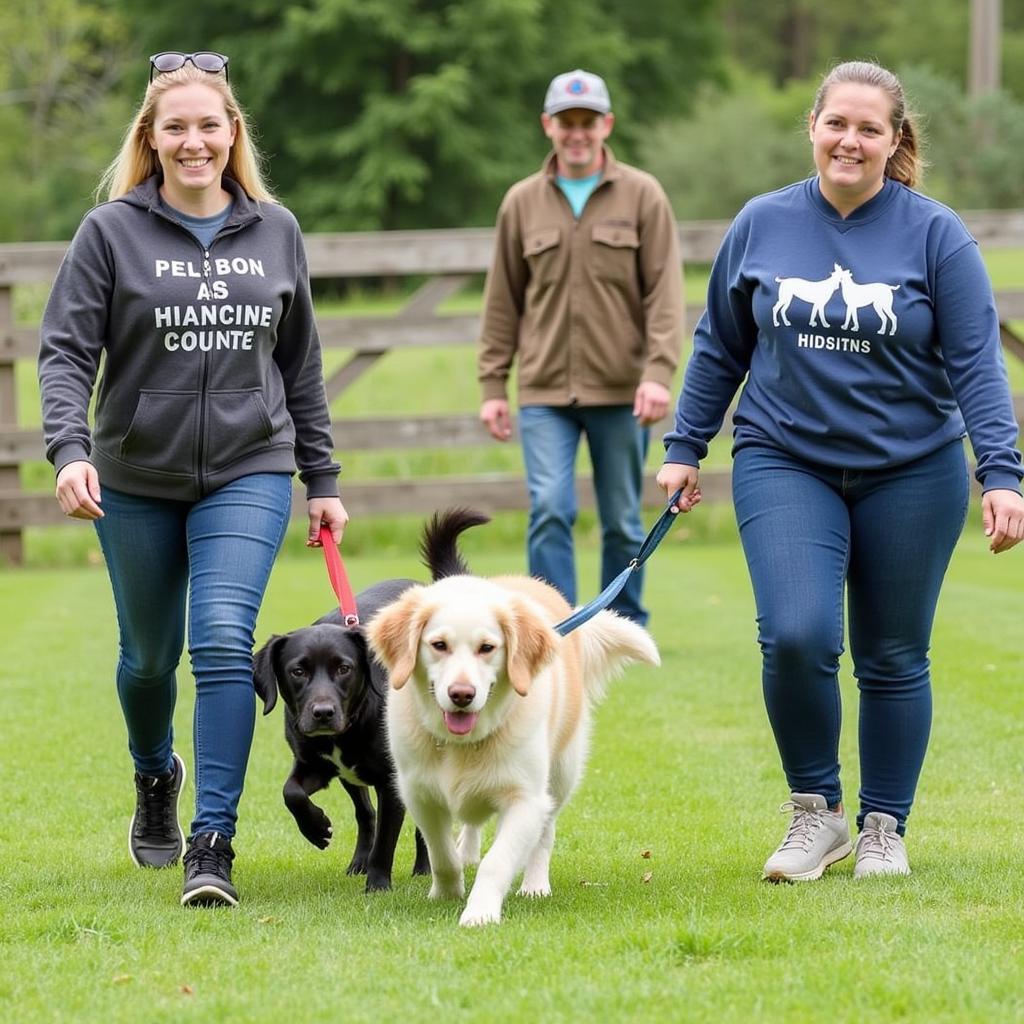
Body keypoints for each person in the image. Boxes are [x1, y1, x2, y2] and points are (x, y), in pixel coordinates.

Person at [657, 60, 1024, 882]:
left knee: (893, 655)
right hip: (784, 457)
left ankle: (884, 827)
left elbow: (976, 364)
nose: (850, 140)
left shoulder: (937, 235)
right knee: (796, 635)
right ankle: (814, 815)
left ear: (895, 141)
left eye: (869, 128)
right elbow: (720, 343)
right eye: (837, 124)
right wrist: (686, 446)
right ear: (814, 129)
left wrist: (1001, 472)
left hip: (913, 471)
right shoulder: (762, 223)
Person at [37, 51, 348, 907]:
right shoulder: (110, 233)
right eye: (176, 126)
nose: (194, 141)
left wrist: (320, 476)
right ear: (152, 136)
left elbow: (302, 365)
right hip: (134, 474)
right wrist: (71, 451)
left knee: (219, 640)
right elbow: (65, 353)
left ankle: (213, 841)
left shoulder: (276, 231)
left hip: (249, 467)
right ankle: (153, 774)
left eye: (209, 124)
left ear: (231, 132)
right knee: (148, 659)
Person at [478, 69, 685, 626]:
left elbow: (665, 294)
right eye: (566, 123)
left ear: (605, 125)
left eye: (587, 122)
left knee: (621, 517)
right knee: (549, 508)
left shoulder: (643, 195)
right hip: (544, 390)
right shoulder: (521, 202)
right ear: (548, 126)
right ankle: (555, 627)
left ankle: (621, 625)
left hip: (623, 390)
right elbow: (502, 300)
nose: (577, 133)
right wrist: (493, 384)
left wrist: (658, 372)